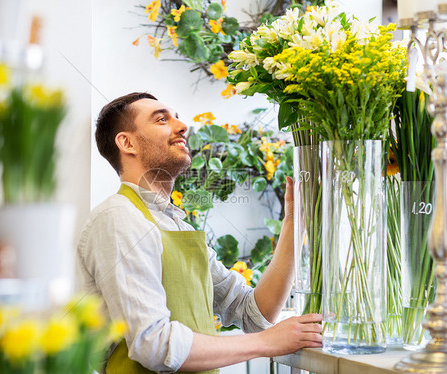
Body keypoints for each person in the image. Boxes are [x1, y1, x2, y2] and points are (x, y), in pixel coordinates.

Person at [77, 92, 322, 373]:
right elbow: (153, 344)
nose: (182, 126)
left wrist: (294, 222)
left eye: (177, 117)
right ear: (127, 142)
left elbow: (254, 312)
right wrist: (266, 343)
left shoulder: (176, 225)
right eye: (161, 119)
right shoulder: (118, 218)